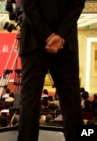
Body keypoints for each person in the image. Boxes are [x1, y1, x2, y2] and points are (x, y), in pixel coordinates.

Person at [18, 0, 85, 141]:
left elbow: (28, 4)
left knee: (30, 101)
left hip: (33, 41)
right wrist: (60, 35)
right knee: (71, 102)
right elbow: (77, 3)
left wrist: (47, 35)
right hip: (65, 43)